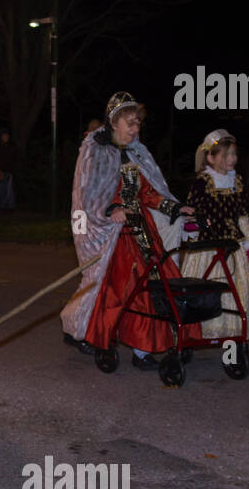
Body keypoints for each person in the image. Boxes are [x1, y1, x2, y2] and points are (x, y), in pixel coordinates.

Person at [60, 92, 194, 370]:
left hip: (141, 230)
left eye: (137, 124)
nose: (135, 129)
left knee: (159, 282)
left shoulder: (136, 152)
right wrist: (111, 211)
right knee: (127, 288)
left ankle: (150, 344)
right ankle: (137, 348)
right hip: (115, 233)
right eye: (130, 123)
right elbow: (88, 193)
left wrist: (174, 208)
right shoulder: (95, 150)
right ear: (114, 121)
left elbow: (148, 192)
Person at [180, 130, 249, 351]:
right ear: (211, 157)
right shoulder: (202, 183)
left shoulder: (236, 181)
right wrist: (198, 234)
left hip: (232, 249)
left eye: (234, 154)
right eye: (226, 155)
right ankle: (196, 335)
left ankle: (235, 341)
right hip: (207, 249)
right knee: (206, 292)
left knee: (236, 295)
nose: (232, 159)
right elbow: (191, 216)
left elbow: (242, 215)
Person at [0, 127, 17, 212]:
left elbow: (14, 158)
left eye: (6, 135)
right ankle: (2, 206)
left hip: (9, 170)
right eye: (3, 136)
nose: (5, 137)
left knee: (10, 189)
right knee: (1, 188)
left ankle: (10, 206)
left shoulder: (12, 146)